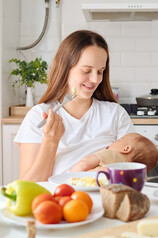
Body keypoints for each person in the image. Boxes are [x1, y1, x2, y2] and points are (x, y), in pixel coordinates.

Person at [14, 30, 136, 181]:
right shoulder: (38, 115)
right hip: (57, 200)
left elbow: (134, 170)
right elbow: (28, 185)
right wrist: (51, 140)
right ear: (66, 68)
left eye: (100, 71)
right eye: (86, 70)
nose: (95, 79)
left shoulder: (115, 114)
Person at [70, 133, 158, 173]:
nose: (116, 141)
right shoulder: (129, 172)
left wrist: (72, 177)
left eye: (120, 140)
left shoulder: (111, 154)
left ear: (126, 149)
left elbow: (83, 164)